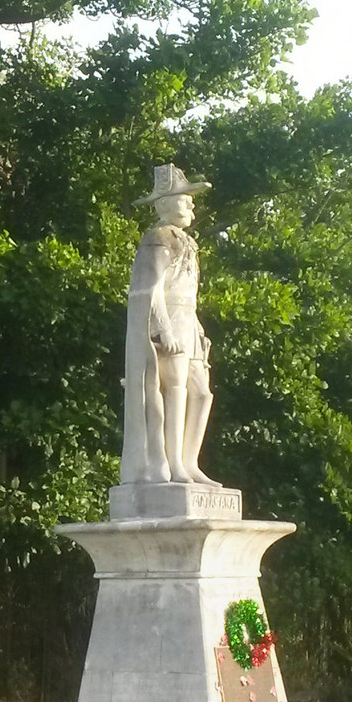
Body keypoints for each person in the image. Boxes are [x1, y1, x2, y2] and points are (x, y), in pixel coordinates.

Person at [121, 164, 221, 486]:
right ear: (164, 204)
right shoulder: (158, 237)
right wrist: (162, 326)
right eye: (184, 198)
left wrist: (198, 329)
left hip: (189, 322)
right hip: (170, 319)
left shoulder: (187, 242)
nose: (191, 204)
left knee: (202, 393)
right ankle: (174, 463)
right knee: (174, 388)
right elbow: (150, 287)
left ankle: (189, 461)